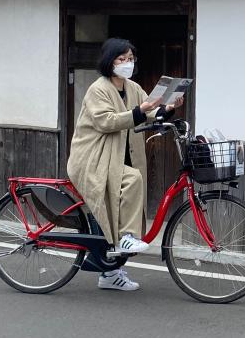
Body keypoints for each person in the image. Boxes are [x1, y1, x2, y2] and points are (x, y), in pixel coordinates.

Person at [66, 38, 182, 292]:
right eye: (121, 59)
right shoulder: (98, 89)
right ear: (110, 61)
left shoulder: (132, 87)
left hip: (120, 156)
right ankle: (128, 238)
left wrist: (169, 109)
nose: (127, 63)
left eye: (130, 58)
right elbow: (106, 122)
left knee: (127, 191)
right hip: (93, 157)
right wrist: (140, 111)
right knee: (132, 180)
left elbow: (150, 111)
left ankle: (110, 272)